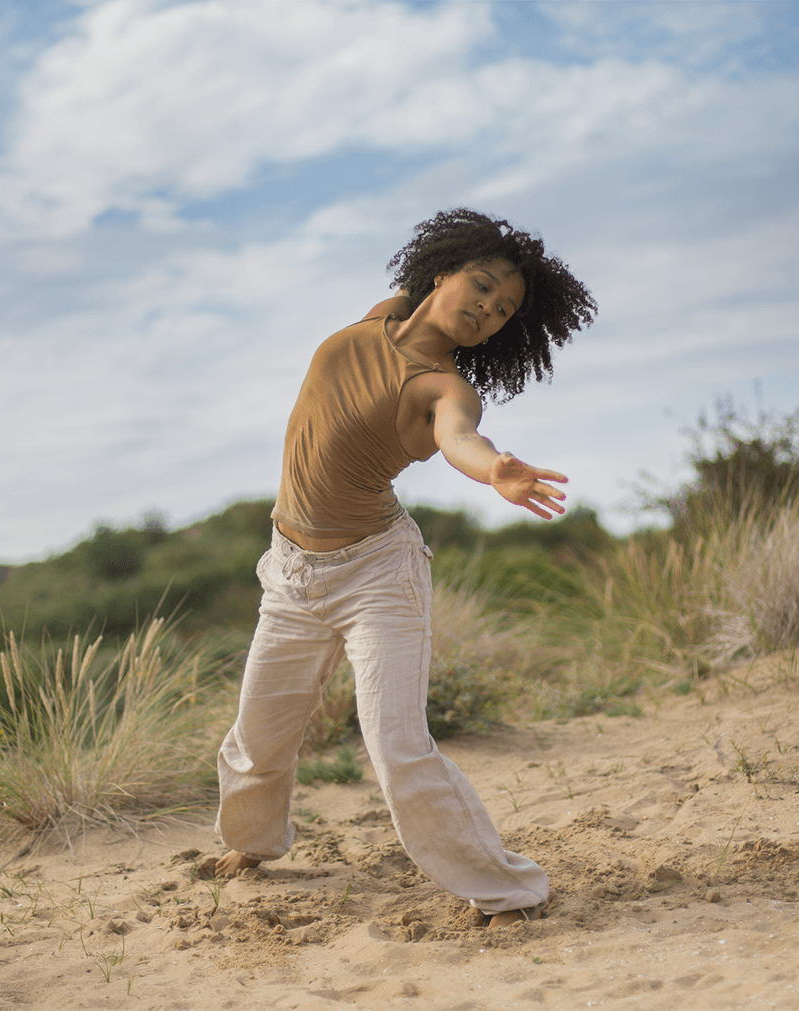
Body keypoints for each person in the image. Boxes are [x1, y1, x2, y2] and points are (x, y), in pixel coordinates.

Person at [206, 208, 597, 927]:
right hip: (290, 572)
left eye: (503, 309)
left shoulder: (445, 388)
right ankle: (252, 844)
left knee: (397, 745)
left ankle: (509, 889)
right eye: (481, 286)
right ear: (439, 272)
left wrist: (494, 470)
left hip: (375, 575)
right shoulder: (379, 317)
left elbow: (459, 437)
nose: (488, 308)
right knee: (258, 735)